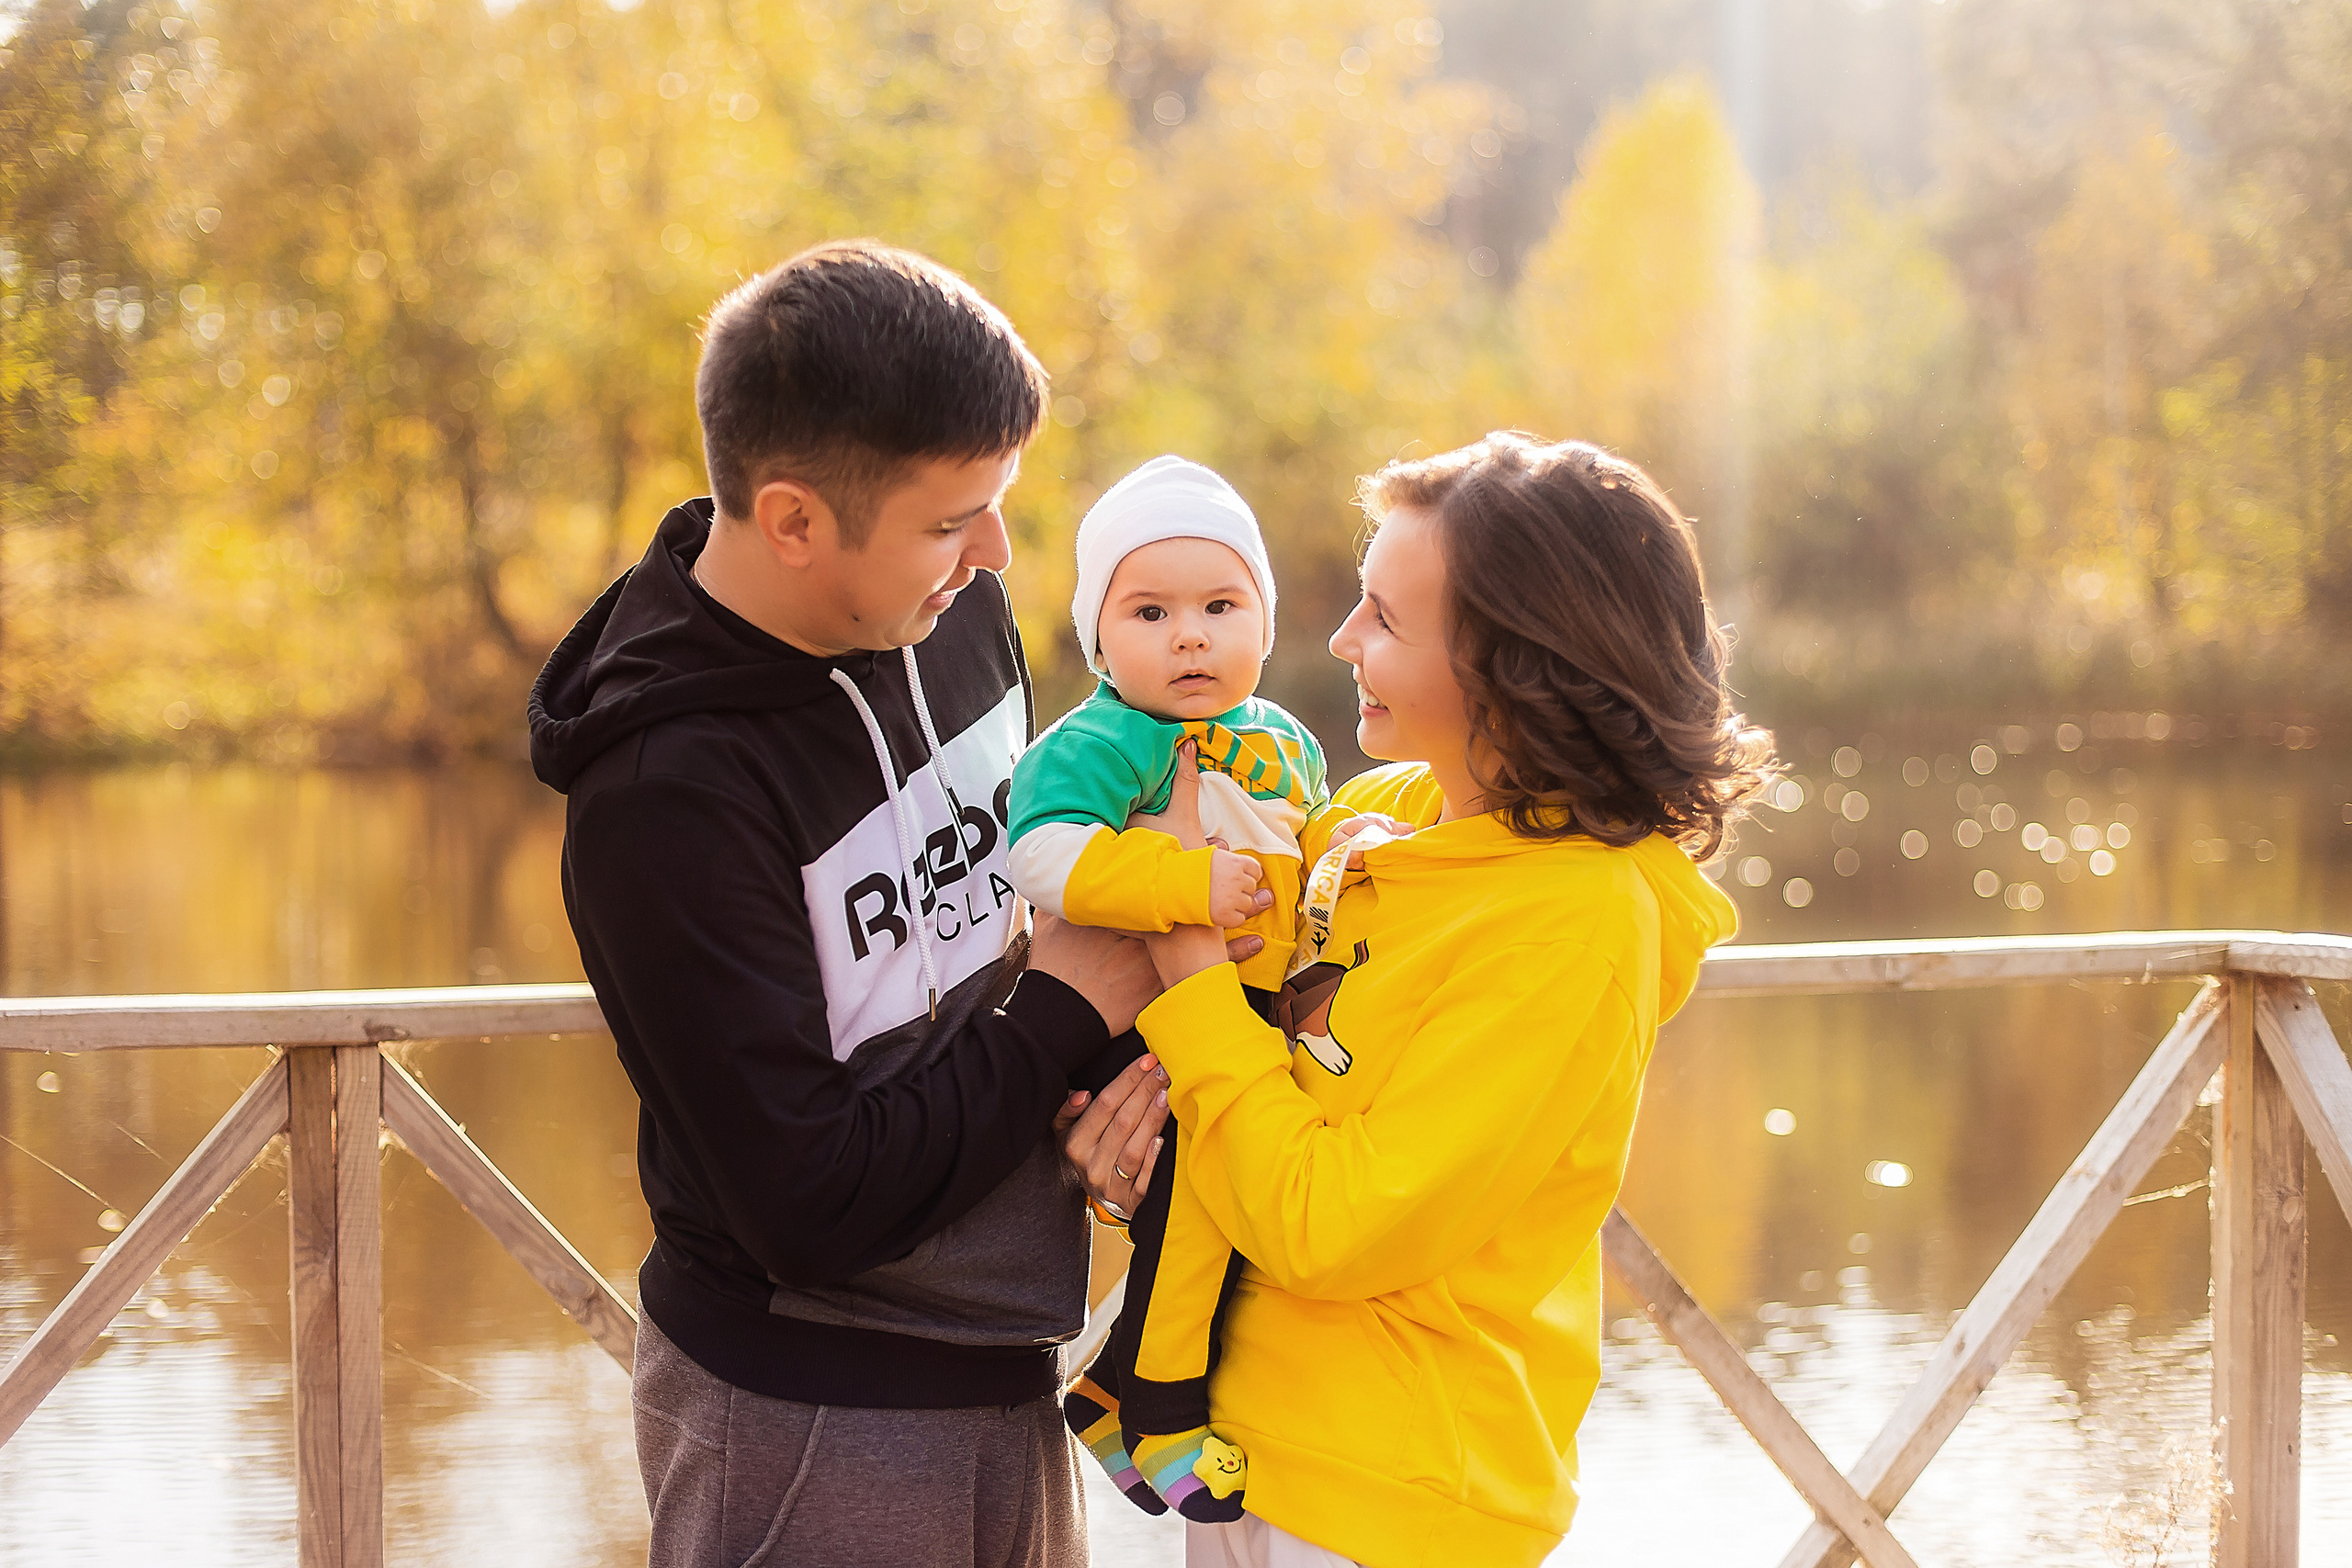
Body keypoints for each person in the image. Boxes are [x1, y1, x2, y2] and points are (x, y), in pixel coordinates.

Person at [528, 240, 1183, 1567]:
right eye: (952, 519)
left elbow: (1018, 935)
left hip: (1015, 1361)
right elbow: (807, 1197)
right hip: (813, 1410)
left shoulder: (951, 609)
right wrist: (1065, 1015)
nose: (995, 552)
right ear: (791, 521)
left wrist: (1119, 1090)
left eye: (997, 502)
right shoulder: (669, 795)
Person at [1129, 432, 1774, 1568]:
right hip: (1248, 1454)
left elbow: (1332, 1227)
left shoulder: (1574, 920)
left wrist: (1185, 978)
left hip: (1393, 1501)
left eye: (1382, 617)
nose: (1339, 641)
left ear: (1509, 665)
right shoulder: (1388, 811)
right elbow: (1254, 1054)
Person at [1004, 455, 1355, 1524]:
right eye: (1150, 611)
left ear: (1264, 618)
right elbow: (1041, 856)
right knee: (1204, 1200)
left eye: (1219, 605)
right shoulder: (1109, 739)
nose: (1190, 635)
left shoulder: (1283, 739)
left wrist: (1361, 838)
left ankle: (1113, 1390)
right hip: (1143, 1016)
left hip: (1246, 1018)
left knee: (1231, 1217)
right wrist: (1180, 880)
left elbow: (1307, 844)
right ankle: (1158, 1411)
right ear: (1099, 637)